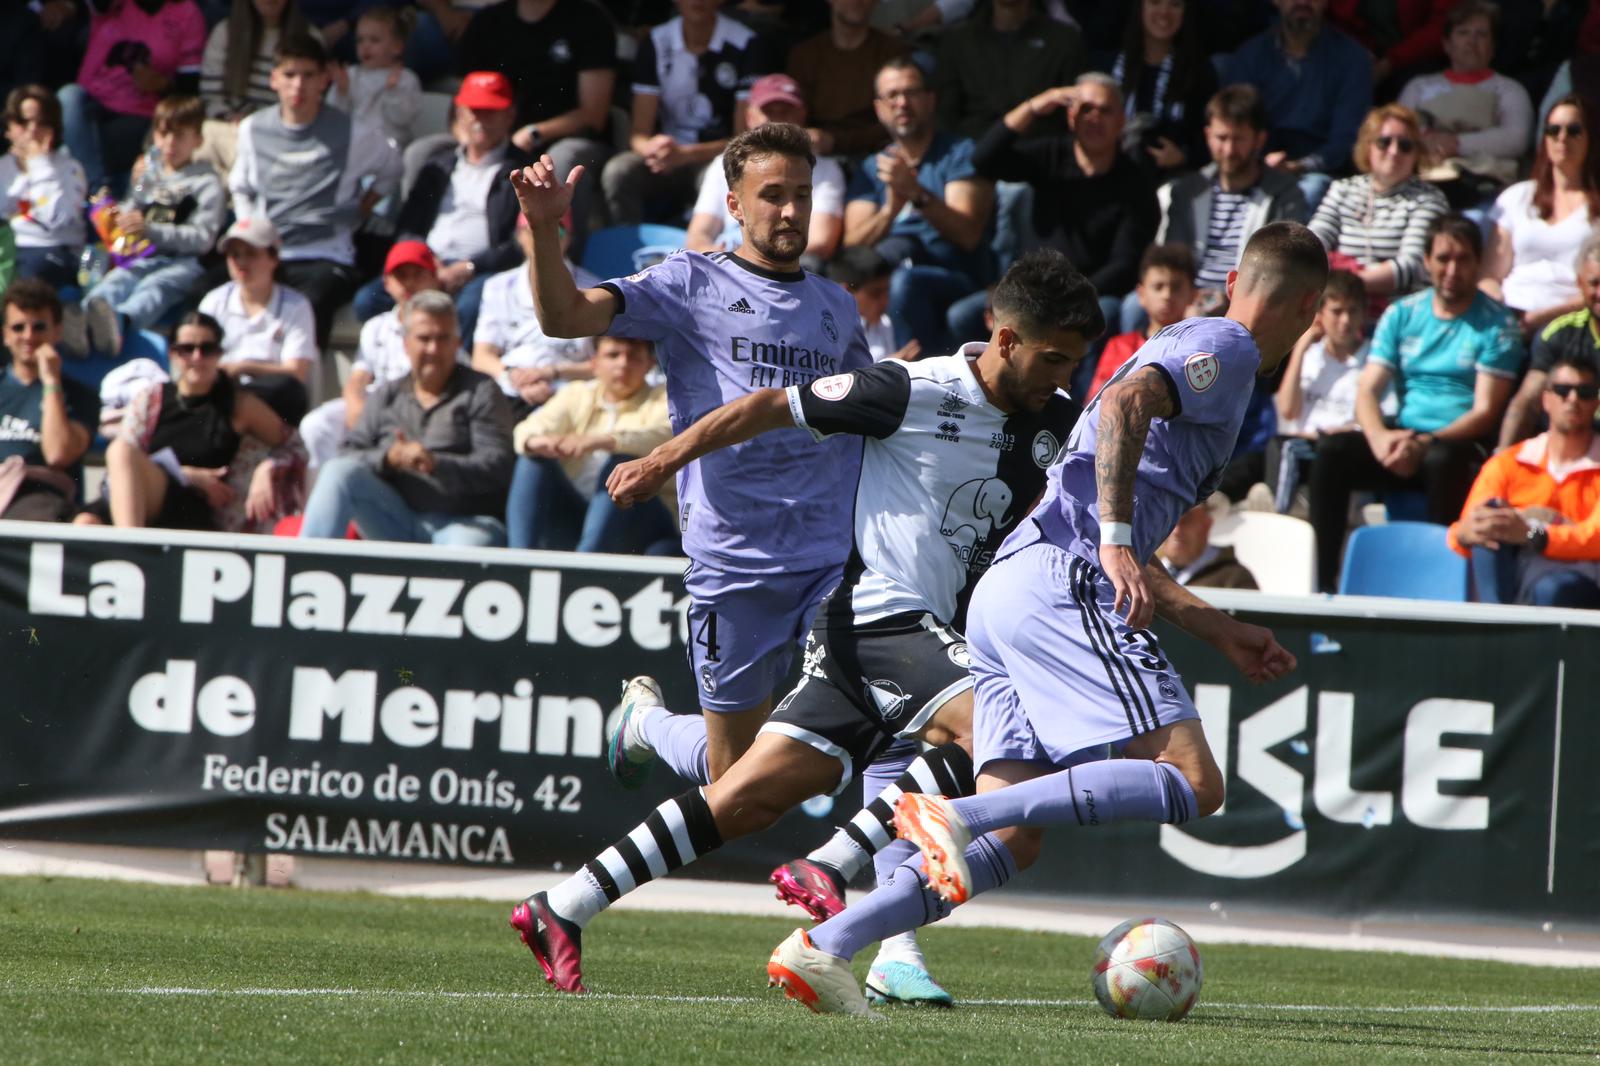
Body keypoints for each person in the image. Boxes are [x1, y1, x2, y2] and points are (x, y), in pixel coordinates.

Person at [764, 223, 1323, 1017]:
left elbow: (1112, 487)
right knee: (1196, 782)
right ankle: (951, 813)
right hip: (1063, 579)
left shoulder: (1193, 342)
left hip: (1008, 591)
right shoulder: (1227, 348)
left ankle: (828, 947)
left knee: (1016, 838)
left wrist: (1217, 626)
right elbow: (1127, 408)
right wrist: (1122, 544)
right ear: (1310, 305)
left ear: (1233, 277)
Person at [512, 249, 1098, 1002]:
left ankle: (562, 907)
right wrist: (664, 458)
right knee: (996, 731)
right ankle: (838, 868)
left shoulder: (1059, 422)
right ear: (1007, 338)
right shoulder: (909, 388)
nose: (1063, 375)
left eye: (1074, 362)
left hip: (917, 642)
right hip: (879, 616)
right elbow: (767, 405)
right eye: (1053, 357)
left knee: (743, 797)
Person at [509, 121, 870, 787]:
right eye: (771, 195)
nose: (790, 210)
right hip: (734, 562)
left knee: (876, 716)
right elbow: (564, 319)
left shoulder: (837, 309)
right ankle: (645, 724)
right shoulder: (687, 282)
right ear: (733, 204)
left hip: (829, 561)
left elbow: (863, 421)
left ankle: (883, 874)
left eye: (801, 194)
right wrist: (544, 229)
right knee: (733, 775)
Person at [1306, 214, 1522, 593]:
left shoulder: (1497, 324)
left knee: (1440, 460)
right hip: (1402, 438)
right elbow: (1367, 391)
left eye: (1463, 259)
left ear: (1477, 263)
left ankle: (1444, 584)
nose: (1452, 270)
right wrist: (1379, 439)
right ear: (1426, 261)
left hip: (1458, 444)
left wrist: (1425, 442)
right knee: (1332, 451)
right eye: (1443, 258)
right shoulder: (1402, 314)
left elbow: (1485, 412)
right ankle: (1323, 586)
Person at [298, 290, 515, 546]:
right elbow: (349, 454)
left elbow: (498, 465)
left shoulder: (482, 391)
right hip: (395, 519)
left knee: (464, 551)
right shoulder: (387, 393)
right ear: (406, 344)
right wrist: (389, 458)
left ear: (457, 343)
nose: (434, 349)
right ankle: (308, 563)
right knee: (338, 471)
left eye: (443, 339)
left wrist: (435, 463)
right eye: (424, 339)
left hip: (465, 523)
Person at [229, 33, 402, 344]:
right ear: (273, 79)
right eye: (290, 75)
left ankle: (296, 386)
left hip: (327, 255)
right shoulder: (252, 129)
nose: (298, 86)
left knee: (305, 311)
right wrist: (251, 234)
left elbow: (392, 168)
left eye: (308, 75)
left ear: (325, 80)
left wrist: (361, 208)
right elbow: (240, 187)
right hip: (268, 253)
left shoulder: (353, 132)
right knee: (210, 294)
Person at [76, 311, 305, 531]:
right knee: (85, 523)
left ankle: (132, 551)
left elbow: (295, 444)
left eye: (207, 349)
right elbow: (126, 460)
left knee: (121, 451)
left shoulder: (238, 404)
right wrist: (186, 474)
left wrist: (268, 467)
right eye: (187, 349)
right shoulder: (153, 397)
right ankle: (130, 542)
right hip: (142, 496)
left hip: (192, 508)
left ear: (219, 354)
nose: (197, 357)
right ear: (173, 354)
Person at [970, 73, 1158, 341]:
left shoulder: (1135, 181)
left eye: (1105, 110)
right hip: (1035, 287)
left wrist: (1070, 295)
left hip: (1094, 293)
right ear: (1071, 117)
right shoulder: (1051, 155)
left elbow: (1124, 263)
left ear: (1121, 121)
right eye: (1085, 109)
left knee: (1102, 312)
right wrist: (1033, 107)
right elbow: (983, 159)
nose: (1094, 117)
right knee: (963, 316)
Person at [364, 71, 533, 341]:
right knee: (368, 300)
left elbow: (519, 242)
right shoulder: (436, 165)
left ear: (509, 115)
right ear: (460, 113)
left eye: (490, 110)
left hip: (483, 270)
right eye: (474, 110)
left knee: (470, 306)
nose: (480, 119)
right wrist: (425, 264)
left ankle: (455, 375)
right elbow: (408, 225)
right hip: (425, 264)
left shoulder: (523, 171)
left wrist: (469, 267)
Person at [845, 57, 994, 354]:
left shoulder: (958, 153)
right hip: (886, 271)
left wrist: (915, 192)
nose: (902, 103)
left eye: (911, 92)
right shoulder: (870, 167)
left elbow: (968, 234)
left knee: (906, 282)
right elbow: (852, 247)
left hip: (951, 273)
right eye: (892, 95)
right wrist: (889, 210)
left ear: (930, 99)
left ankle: (914, 381)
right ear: (879, 108)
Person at [456, 0, 615, 247]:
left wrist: (534, 133)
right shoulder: (488, 21)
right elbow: (462, 100)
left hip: (566, 141)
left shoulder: (589, 19)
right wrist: (468, 137)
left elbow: (594, 114)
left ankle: (560, 270)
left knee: (560, 162)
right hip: (495, 136)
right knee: (428, 151)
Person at [1451, 352, 1600, 609]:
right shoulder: (1508, 462)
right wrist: (1465, 533)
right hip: (1515, 578)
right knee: (1490, 519)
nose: (1573, 399)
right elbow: (1463, 530)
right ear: (1546, 399)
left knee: (1552, 589)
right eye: (1563, 390)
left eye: (1585, 392)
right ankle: (1496, 624)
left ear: (1596, 403)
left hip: (1585, 579)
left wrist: (1534, 535)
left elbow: (1595, 538)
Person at [82, 95, 226, 357]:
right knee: (119, 279)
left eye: (180, 135)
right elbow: (131, 206)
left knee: (157, 287)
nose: (170, 143)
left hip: (184, 262)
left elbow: (203, 238)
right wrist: (115, 215)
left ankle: (121, 323)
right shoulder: (148, 173)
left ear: (198, 140)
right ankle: (84, 320)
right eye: (164, 134)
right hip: (141, 256)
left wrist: (151, 230)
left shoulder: (207, 182)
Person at [601, 0, 766, 226]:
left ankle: (716, 255)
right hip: (666, 157)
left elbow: (745, 140)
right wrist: (653, 148)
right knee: (619, 172)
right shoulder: (656, 41)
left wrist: (687, 154)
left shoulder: (747, 43)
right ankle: (626, 249)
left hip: (719, 157)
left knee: (724, 181)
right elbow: (639, 133)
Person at [505, 335, 676, 552]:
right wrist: (545, 443)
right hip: (578, 517)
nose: (623, 364)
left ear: (649, 365)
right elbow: (525, 432)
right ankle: (519, 560)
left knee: (623, 466)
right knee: (533, 461)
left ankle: (584, 570)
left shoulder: (664, 397)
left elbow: (665, 436)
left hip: (642, 522)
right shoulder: (576, 393)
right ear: (594, 363)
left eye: (633, 357)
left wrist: (601, 441)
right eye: (613, 355)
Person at [298, 239, 452, 468]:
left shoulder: (446, 325)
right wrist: (356, 409)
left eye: (418, 274)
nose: (409, 283)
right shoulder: (376, 326)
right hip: (376, 404)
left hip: (420, 409)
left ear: (434, 279)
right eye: (401, 276)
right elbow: (358, 378)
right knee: (316, 425)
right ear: (387, 283)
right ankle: (322, 500)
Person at [1161, 85, 1309, 316]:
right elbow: (1173, 258)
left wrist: (1230, 298)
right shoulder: (1187, 191)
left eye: (1238, 139)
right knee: (1134, 307)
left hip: (1249, 301)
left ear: (1259, 140)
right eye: (1221, 138)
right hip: (1187, 299)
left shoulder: (1284, 194)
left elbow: (1282, 265)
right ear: (1208, 135)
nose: (1229, 150)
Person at [1223, 0, 1373, 209]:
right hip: (1255, 164)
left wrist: (1299, 166)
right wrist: (1261, 162)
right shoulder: (1250, 56)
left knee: (1308, 193)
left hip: (1319, 174)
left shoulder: (1353, 59)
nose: (1302, 2)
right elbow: (1236, 124)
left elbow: (1346, 140)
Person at [687, 75, 845, 266]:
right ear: (750, 116)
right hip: (727, 266)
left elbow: (821, 243)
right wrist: (717, 258)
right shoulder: (722, 164)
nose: (777, 121)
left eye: (786, 112)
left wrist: (755, 265)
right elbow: (698, 236)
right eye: (769, 112)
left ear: (802, 114)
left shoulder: (826, 169)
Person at [57, 0, 207, 195]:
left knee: (68, 152)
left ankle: (99, 198)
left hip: (143, 114)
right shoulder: (115, 5)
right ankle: (100, 194)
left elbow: (190, 94)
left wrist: (162, 86)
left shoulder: (186, 13)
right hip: (93, 104)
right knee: (68, 96)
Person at [1480, 96, 1600, 339]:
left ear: (1591, 138)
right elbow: (1489, 276)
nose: (1562, 138)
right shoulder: (1516, 197)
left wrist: (1539, 317)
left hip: (1571, 319)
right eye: (1553, 130)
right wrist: (1500, 310)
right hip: (1508, 317)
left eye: (1574, 130)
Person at [1308, 104, 1448, 309]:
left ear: (1416, 153)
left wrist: (1341, 285)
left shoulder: (1429, 199)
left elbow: (1411, 266)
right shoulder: (1343, 189)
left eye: (1405, 145)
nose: (1394, 151)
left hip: (1398, 312)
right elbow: (1312, 243)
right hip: (1337, 309)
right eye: (1384, 142)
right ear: (1368, 146)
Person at [1397, 1, 1532, 210]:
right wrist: (1427, 142)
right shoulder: (1419, 87)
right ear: (1447, 44)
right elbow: (1400, 131)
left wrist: (1456, 143)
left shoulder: (1509, 90)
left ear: (1493, 46)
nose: (1472, 41)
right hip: (1422, 184)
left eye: (1481, 34)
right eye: (1463, 33)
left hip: (1484, 189)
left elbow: (1516, 138)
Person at [472, 212, 596, 419]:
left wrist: (552, 373)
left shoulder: (595, 289)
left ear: (569, 239)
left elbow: (604, 363)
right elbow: (482, 357)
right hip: (509, 392)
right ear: (520, 236)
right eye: (534, 230)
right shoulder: (497, 287)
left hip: (571, 398)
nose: (544, 239)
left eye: (556, 231)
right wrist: (513, 376)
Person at [198, 216, 319, 427]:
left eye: (251, 254)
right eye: (234, 255)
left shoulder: (296, 305)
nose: (241, 262)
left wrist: (243, 367)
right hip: (221, 392)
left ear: (274, 258)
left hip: (272, 401)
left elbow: (296, 372)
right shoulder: (214, 301)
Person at [1271, 268, 1372, 513]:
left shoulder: (1373, 358)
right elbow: (1287, 410)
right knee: (1260, 457)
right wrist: (1301, 348)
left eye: (1353, 311)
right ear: (1321, 314)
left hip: (1341, 450)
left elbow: (1368, 421)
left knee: (1284, 448)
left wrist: (1327, 435)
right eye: (1337, 312)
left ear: (1363, 315)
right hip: (1303, 449)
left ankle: (1278, 520)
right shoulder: (1311, 355)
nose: (1345, 321)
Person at [0, 280, 97, 522]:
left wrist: (51, 382)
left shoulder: (80, 395)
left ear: (57, 331)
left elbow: (58, 454)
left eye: (39, 327)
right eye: (18, 327)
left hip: (42, 504)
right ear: (5, 335)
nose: (28, 336)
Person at [933, 0, 1087, 142]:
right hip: (973, 154)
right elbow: (946, 116)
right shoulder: (958, 42)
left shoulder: (1064, 40)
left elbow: (1075, 111)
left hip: (1040, 155)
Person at [1501, 236, 1600, 449]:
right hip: (1566, 446)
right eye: (1594, 283)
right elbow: (1527, 403)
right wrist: (1501, 459)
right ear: (1580, 284)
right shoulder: (1559, 333)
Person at [1108, 0, 1218, 180]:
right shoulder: (1111, 64)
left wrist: (1183, 156)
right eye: (1155, 2)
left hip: (1175, 181)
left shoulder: (1200, 72)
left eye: (1175, 4)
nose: (1164, 12)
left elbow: (1210, 135)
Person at [785, 0, 908, 158]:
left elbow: (898, 118)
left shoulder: (893, 53)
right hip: (815, 156)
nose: (857, 1)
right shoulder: (804, 55)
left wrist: (836, 141)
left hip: (876, 154)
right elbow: (792, 114)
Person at [0, 86, 87, 289]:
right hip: (8, 248)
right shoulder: (3, 167)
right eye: (23, 122)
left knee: (21, 283)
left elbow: (57, 218)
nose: (32, 130)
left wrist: (39, 163)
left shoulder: (70, 168)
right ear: (9, 128)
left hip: (51, 251)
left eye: (41, 123)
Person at [1087, 243, 1195, 399]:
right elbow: (1096, 401)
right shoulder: (1119, 346)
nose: (1167, 295)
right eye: (1158, 287)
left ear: (1192, 294)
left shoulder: (1195, 349)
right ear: (1141, 294)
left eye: (1176, 287)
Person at [325, 5, 420, 148]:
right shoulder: (350, 75)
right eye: (360, 40)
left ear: (397, 47)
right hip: (354, 146)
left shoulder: (406, 79)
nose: (365, 46)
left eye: (374, 40)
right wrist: (341, 92)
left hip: (390, 147)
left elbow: (402, 120)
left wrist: (392, 91)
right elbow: (333, 118)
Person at [826, 245, 916, 362]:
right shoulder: (827, 332)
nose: (885, 301)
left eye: (887, 291)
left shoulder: (884, 324)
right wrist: (887, 367)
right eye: (876, 294)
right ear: (845, 293)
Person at [1158, 500, 1259, 589]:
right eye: (1168, 519)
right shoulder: (1147, 571)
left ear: (1207, 525)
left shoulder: (1235, 578)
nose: (1176, 530)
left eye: (1187, 519)